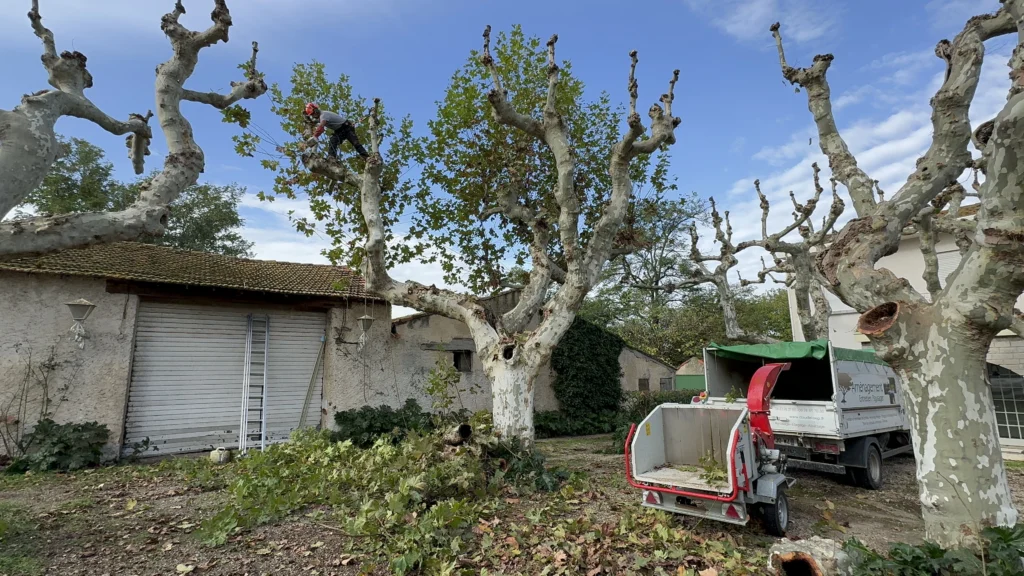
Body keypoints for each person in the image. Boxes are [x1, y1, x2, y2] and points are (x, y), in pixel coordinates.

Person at [304, 102, 369, 159]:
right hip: (339, 131)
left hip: (347, 127)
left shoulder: (323, 115)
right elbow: (313, 122)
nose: (313, 116)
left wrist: (315, 136)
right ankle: (331, 159)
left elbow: (321, 127)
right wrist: (308, 119)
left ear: (316, 110)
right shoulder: (319, 117)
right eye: (312, 115)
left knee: (356, 143)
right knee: (333, 140)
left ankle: (367, 158)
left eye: (313, 113)